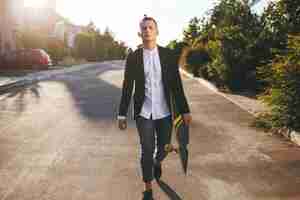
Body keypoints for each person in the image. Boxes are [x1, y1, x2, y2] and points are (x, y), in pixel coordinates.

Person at [117, 15, 192, 200]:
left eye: (151, 27)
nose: (147, 31)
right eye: (144, 28)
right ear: (139, 33)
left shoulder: (168, 55)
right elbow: (127, 86)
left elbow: (176, 85)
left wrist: (185, 109)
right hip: (144, 112)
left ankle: (157, 162)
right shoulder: (133, 58)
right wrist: (121, 114)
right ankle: (147, 189)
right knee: (147, 148)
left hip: (165, 112)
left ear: (157, 32)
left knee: (163, 148)